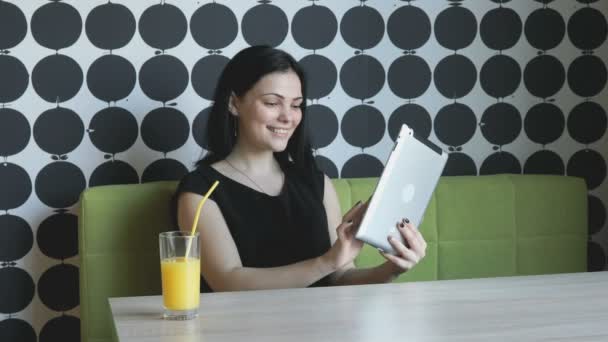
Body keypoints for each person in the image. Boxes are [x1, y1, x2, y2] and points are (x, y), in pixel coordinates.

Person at [171, 45, 427, 292]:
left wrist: (392, 269)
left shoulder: (317, 183)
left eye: (296, 105)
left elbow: (340, 277)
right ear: (234, 104)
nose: (287, 116)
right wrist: (327, 261)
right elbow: (228, 281)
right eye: (272, 103)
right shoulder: (200, 192)